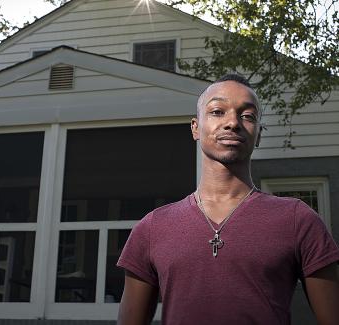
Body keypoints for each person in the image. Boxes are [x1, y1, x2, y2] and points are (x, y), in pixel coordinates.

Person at [116, 74, 339, 325]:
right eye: (217, 111)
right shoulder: (152, 227)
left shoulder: (299, 220)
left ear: (259, 135)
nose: (233, 122)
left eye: (247, 116)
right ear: (195, 127)